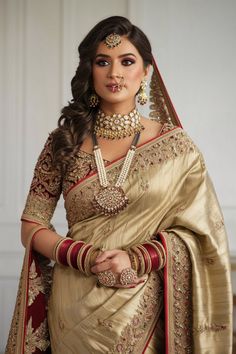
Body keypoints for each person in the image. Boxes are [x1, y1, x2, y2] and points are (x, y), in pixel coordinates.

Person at [5, 16, 232, 354]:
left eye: (127, 61)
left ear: (146, 72)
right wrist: (83, 255)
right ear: (89, 70)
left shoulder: (177, 148)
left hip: (142, 300)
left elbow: (202, 236)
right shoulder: (64, 142)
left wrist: (139, 258)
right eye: (102, 62)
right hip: (73, 305)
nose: (115, 73)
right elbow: (32, 225)